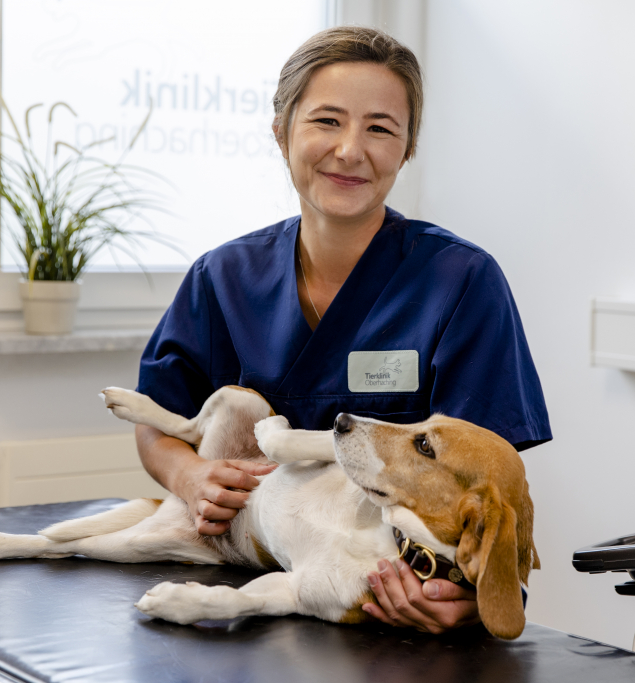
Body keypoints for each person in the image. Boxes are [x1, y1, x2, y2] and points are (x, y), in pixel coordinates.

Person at [135, 26, 551, 634]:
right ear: (282, 133)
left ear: (407, 148)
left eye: (381, 128)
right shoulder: (222, 278)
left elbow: (490, 484)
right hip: (244, 594)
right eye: (326, 121)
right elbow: (156, 420)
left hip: (388, 608)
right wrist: (188, 475)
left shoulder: (462, 281)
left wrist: (466, 600)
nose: (351, 150)